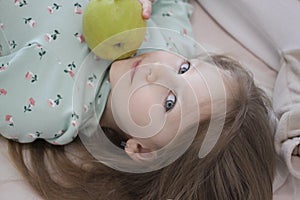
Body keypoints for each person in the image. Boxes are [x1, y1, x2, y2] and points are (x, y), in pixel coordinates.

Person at [1, 0, 276, 199]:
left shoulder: (51, 108)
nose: (158, 69)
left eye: (169, 103)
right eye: (185, 68)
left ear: (142, 150)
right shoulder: (169, 44)